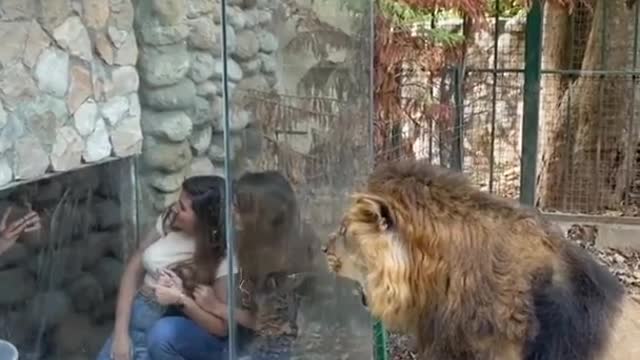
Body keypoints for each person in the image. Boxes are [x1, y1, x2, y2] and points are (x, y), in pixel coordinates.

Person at [147, 170, 320, 360]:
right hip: (235, 336)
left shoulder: (288, 258)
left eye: (238, 208)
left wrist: (217, 307)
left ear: (260, 214)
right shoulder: (241, 236)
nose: (231, 212)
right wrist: (183, 290)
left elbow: (276, 325)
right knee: (164, 333)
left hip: (272, 346)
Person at [96, 175, 237, 360]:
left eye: (183, 208)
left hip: (164, 328)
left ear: (204, 218)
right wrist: (121, 333)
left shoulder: (222, 257)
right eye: (178, 201)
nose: (175, 208)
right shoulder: (170, 221)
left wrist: (181, 300)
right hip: (135, 313)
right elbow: (133, 269)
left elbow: (221, 328)